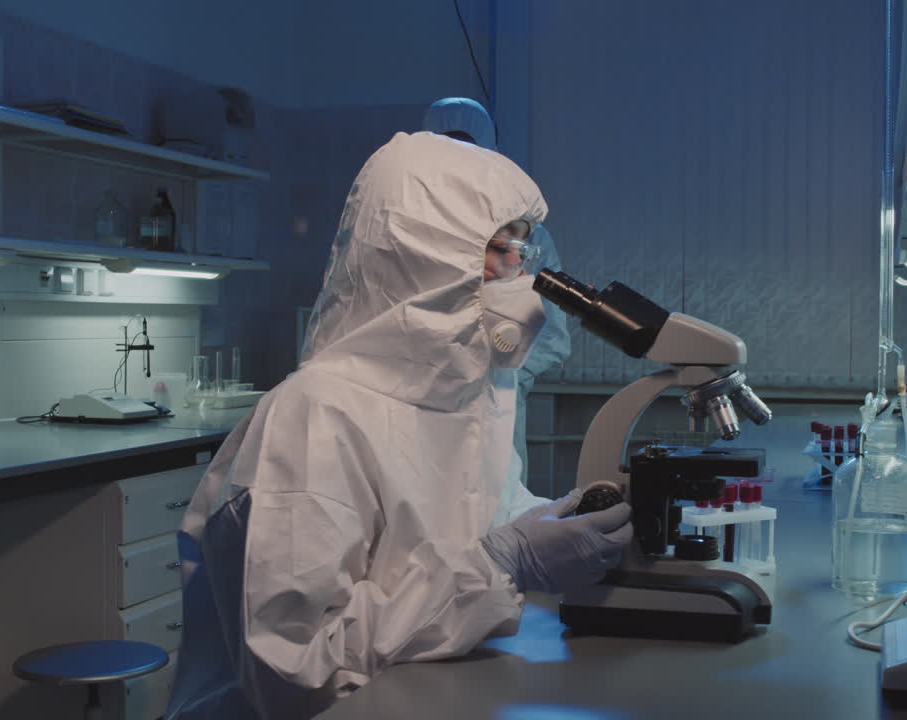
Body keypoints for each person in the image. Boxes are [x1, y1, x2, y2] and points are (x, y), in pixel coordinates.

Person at [166, 131, 633, 720]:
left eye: (521, 248)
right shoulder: (314, 418)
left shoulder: (477, 392)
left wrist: (562, 525)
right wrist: (505, 563)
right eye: (496, 247)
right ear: (419, 253)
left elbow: (484, 522)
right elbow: (293, 671)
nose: (517, 269)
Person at [422, 97, 572, 497]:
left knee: (491, 510)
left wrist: (500, 372)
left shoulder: (527, 235)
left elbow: (554, 338)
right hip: (418, 398)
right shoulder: (411, 225)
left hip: (493, 403)